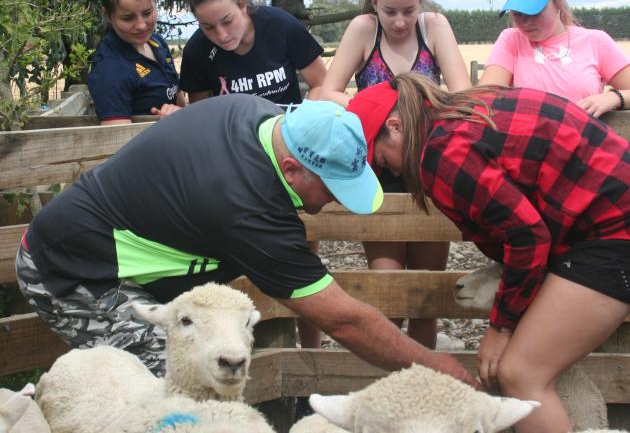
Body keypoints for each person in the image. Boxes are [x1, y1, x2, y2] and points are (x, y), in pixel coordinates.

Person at [15, 93, 478, 389]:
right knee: (176, 386)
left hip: (121, 249)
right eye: (332, 189)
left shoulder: (265, 118)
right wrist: (434, 366)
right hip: (72, 268)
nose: (334, 202)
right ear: (293, 168)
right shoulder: (247, 207)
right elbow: (345, 321)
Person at [346, 72, 630, 432]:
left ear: (396, 125)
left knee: (520, 373)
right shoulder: (463, 110)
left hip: (612, 231)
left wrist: (501, 328)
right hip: (596, 221)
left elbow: (527, 237)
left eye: (379, 155)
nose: (382, 166)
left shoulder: (443, 154)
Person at [315, 0, 471, 348]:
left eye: (409, 10)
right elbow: (327, 91)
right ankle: (387, 376)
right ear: (374, 3)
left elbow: (463, 95)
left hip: (427, 170)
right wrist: (375, 110)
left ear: (421, 2)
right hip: (378, 172)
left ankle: (426, 387)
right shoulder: (363, 29)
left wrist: (420, 117)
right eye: (390, 11)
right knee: (388, 291)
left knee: (426, 292)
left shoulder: (434, 26)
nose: (400, 21)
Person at [480, 0, 630, 118]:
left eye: (534, 12)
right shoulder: (511, 40)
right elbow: (484, 99)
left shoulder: (596, 42)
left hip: (582, 141)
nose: (525, 22)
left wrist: (613, 97)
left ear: (558, 3)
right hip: (528, 141)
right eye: (517, 13)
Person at [176, 0, 326, 107]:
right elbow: (201, 113)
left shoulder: (281, 25)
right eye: (208, 27)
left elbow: (321, 84)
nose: (221, 35)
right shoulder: (196, 51)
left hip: (287, 126)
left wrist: (301, 120)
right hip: (232, 130)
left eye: (227, 21)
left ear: (242, 5)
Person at [88, 0, 185, 125]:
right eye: (127, 18)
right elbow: (117, 141)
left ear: (155, 2)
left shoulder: (158, 43)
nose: (141, 25)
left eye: (147, 13)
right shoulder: (110, 69)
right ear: (108, 15)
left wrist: (177, 114)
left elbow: (180, 103)